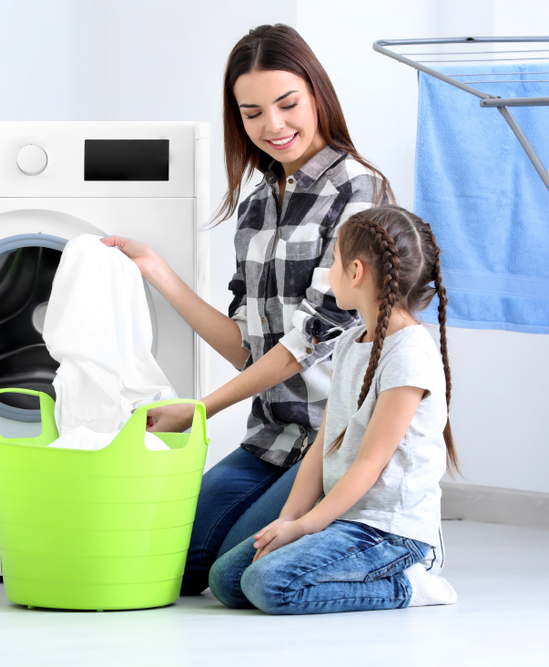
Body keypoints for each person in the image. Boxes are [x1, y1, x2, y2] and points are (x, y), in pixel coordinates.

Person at [102, 24, 392, 595]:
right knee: (167, 565)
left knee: (233, 579)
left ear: (317, 96)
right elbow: (247, 346)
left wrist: (198, 410)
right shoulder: (258, 203)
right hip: (270, 439)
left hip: (330, 444)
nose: (273, 126)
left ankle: (384, 556)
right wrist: (157, 271)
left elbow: (305, 344)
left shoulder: (360, 191)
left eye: (288, 104)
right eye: (252, 112)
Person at [207, 205, 459, 614]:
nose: (328, 273)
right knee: (228, 581)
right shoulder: (349, 341)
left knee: (267, 585)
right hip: (345, 517)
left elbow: (369, 465)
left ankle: (408, 586)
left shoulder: (409, 355)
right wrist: (288, 522)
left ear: (356, 272)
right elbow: (322, 446)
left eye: (334, 262)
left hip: (389, 531)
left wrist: (309, 525)